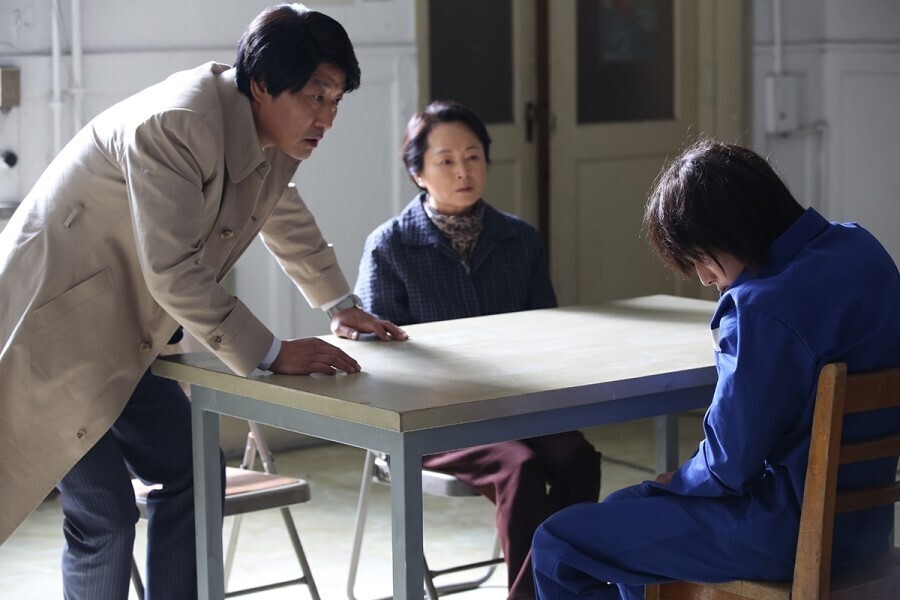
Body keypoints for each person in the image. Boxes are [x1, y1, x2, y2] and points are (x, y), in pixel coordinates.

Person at [0, 4, 407, 599]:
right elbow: (174, 272)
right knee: (104, 516)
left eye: (337, 100)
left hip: (123, 338)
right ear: (263, 85)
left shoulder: (267, 129)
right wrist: (272, 351)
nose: (327, 117)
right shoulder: (177, 124)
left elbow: (280, 212)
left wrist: (339, 303)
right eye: (316, 96)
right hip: (50, 335)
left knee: (195, 470)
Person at [531, 139, 900, 599]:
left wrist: (680, 480)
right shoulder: (862, 250)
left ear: (733, 226)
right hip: (865, 527)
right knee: (630, 517)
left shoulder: (759, 307)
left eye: (700, 257)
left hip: (783, 530)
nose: (705, 278)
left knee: (558, 544)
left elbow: (729, 466)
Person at [355, 100, 601, 600]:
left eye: (473, 156)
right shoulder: (389, 246)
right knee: (520, 467)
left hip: (518, 406)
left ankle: (552, 589)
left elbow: (548, 330)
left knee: (579, 458)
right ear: (417, 172)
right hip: (429, 418)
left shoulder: (519, 239)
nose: (463, 171)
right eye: (446, 160)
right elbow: (376, 356)